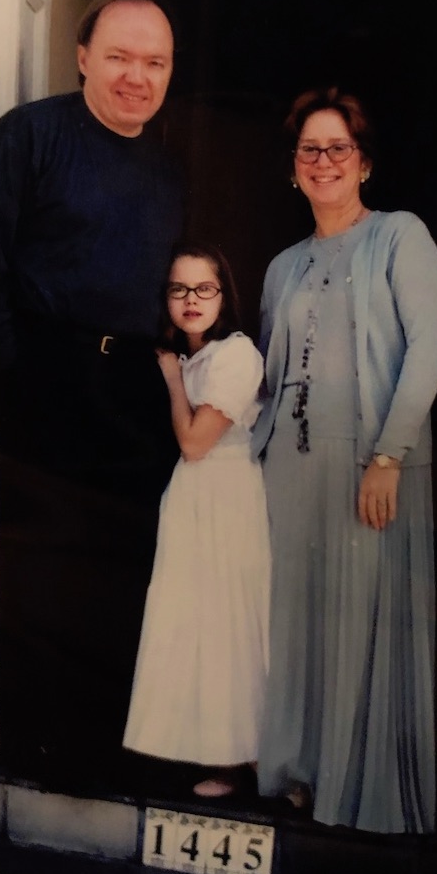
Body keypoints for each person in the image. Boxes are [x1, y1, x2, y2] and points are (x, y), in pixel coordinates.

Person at [0, 0, 184, 789]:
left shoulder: (162, 166)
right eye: (118, 57)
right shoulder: (27, 138)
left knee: (118, 570)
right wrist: (14, 368)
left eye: (153, 63)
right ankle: (35, 755)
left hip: (131, 387)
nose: (135, 77)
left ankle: (101, 753)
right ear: (82, 56)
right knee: (40, 571)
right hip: (43, 377)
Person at [252, 87, 437, 833]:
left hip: (370, 462)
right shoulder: (281, 266)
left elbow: (429, 347)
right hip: (290, 467)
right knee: (292, 620)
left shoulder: (400, 237)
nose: (323, 161)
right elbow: (269, 377)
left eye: (338, 148)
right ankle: (295, 772)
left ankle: (352, 794)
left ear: (363, 162)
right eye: (309, 149)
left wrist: (388, 456)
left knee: (358, 621)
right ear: (292, 168)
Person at [123, 242, 270, 798]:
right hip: (193, 501)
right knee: (200, 625)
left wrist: (171, 378)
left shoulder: (234, 355)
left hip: (226, 497)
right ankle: (223, 758)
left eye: (204, 288)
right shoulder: (192, 355)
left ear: (224, 296)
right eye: (179, 289)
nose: (190, 300)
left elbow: (194, 442)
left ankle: (263, 763)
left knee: (232, 624)